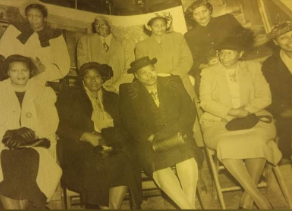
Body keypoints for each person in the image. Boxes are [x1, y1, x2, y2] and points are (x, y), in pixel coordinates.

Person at [199, 27, 282, 209]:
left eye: (230, 53)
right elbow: (205, 102)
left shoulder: (253, 68)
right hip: (218, 120)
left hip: (253, 116)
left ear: (240, 54)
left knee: (259, 140)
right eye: (221, 53)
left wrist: (247, 110)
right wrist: (230, 111)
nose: (225, 57)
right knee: (225, 145)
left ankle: (247, 199)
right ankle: (259, 199)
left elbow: (265, 96)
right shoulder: (208, 72)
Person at [0, 55, 62, 209]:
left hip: (34, 145)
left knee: (31, 158)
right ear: (7, 72)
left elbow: (51, 123)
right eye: (15, 70)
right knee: (6, 159)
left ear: (31, 72)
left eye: (24, 70)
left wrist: (30, 134)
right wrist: (8, 133)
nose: (20, 75)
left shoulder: (43, 91)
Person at [120, 57, 203, 209]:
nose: (150, 75)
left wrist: (178, 131)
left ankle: (187, 207)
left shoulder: (173, 82)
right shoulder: (128, 91)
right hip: (149, 140)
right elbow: (129, 121)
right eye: (143, 73)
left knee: (187, 156)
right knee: (158, 166)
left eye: (152, 70)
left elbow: (188, 110)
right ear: (136, 77)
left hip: (177, 133)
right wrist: (151, 137)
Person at [56, 62, 141, 209]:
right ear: (82, 80)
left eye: (97, 76)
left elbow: (125, 125)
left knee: (123, 161)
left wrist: (111, 137)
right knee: (98, 164)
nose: (93, 80)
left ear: (103, 79)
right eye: (88, 77)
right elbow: (60, 126)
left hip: (112, 143)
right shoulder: (70, 96)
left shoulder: (114, 98)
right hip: (82, 146)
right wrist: (86, 136)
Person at [0, 3, 70, 84]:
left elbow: (63, 65)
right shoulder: (14, 29)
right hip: (15, 76)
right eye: (30, 15)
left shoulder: (55, 35)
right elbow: (2, 53)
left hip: (44, 78)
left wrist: (43, 73)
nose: (33, 19)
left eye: (37, 16)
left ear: (45, 18)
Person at [262, 21, 292, 160]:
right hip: (289, 114)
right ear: (275, 42)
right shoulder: (270, 65)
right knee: (291, 131)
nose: (291, 40)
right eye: (284, 37)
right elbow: (274, 97)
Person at [184, 0, 241, 94]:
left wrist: (233, 55)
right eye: (196, 14)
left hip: (235, 64)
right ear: (192, 17)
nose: (201, 16)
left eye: (204, 11)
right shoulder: (189, 36)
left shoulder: (227, 20)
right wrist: (207, 65)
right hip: (210, 71)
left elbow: (244, 40)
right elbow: (191, 60)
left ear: (210, 10)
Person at [135, 15, 196, 99]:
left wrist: (173, 75)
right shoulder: (141, 46)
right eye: (156, 26)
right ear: (149, 27)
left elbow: (187, 59)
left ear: (166, 26)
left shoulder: (178, 37)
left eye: (163, 25)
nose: (160, 28)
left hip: (181, 81)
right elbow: (142, 70)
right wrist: (158, 79)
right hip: (158, 86)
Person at [77, 15, 135, 93]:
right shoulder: (84, 41)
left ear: (111, 27)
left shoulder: (125, 43)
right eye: (97, 25)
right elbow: (83, 67)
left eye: (103, 24)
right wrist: (97, 86)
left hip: (119, 90)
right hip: (93, 91)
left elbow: (130, 69)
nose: (99, 27)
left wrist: (115, 86)